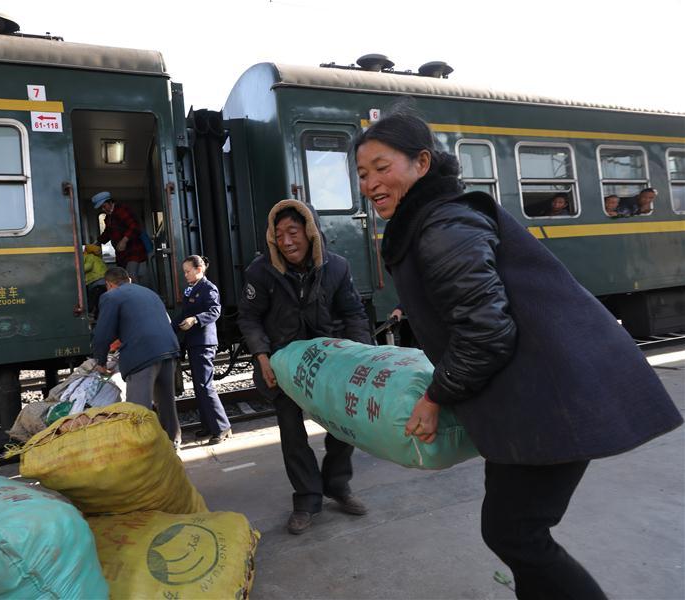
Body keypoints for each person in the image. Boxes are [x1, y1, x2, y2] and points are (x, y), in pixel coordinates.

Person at [353, 109, 682, 600]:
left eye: (382, 167)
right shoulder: (434, 218)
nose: (371, 182)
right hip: (535, 395)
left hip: (553, 395)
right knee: (513, 529)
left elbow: (486, 330)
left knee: (517, 532)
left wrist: (435, 396)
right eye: (362, 174)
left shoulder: (441, 223)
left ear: (422, 163)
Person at [237, 200, 373, 535]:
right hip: (282, 364)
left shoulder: (337, 267)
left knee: (343, 425)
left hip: (330, 362)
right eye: (279, 234)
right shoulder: (261, 271)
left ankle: (337, 485)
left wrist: (363, 355)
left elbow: (354, 313)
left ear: (310, 233)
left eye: (293, 232)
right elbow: (250, 317)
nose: (286, 242)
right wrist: (262, 356)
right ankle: (307, 499)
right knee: (292, 433)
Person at [92, 267, 181, 446]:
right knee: (166, 403)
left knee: (138, 410)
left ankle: (144, 451)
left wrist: (100, 361)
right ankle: (172, 444)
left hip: (142, 355)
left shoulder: (111, 296)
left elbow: (102, 334)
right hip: (168, 350)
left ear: (109, 285)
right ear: (129, 280)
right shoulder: (150, 293)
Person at [172, 255, 232, 444]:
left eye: (188, 271)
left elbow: (215, 311)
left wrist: (196, 319)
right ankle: (209, 426)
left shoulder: (208, 288)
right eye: (184, 272)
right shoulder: (192, 289)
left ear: (199, 269)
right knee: (200, 386)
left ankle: (221, 428)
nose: (186, 275)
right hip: (195, 342)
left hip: (204, 342)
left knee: (205, 385)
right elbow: (184, 314)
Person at [92, 191, 151, 285]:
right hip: (121, 254)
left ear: (110, 202)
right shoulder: (108, 218)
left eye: (104, 206)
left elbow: (134, 226)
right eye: (101, 208)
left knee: (131, 276)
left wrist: (124, 241)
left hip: (134, 250)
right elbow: (107, 233)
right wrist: (97, 243)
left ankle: (138, 298)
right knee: (123, 277)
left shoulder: (122, 210)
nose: (103, 209)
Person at [83, 244, 107, 316]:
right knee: (99, 300)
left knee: (93, 300)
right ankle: (97, 314)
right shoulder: (98, 258)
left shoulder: (90, 256)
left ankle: (92, 314)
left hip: (97, 281)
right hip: (104, 281)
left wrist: (78, 268)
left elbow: (88, 267)